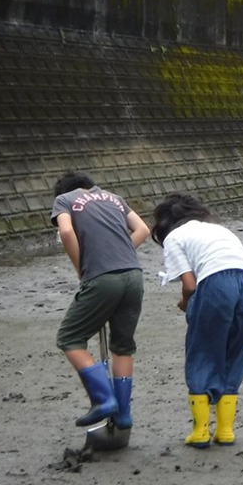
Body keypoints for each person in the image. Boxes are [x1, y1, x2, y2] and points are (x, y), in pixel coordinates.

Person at [151, 192, 243, 448]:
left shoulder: (174, 238)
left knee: (201, 352)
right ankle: (225, 431)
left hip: (216, 283)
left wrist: (186, 304)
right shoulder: (220, 230)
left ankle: (200, 432)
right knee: (235, 354)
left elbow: (189, 285)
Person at [51, 172, 150, 432]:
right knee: (123, 346)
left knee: (69, 338)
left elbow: (65, 231)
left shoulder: (64, 200)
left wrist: (81, 267)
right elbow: (143, 230)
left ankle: (104, 399)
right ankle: (124, 416)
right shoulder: (115, 198)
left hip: (101, 278)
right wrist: (119, 252)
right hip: (133, 276)